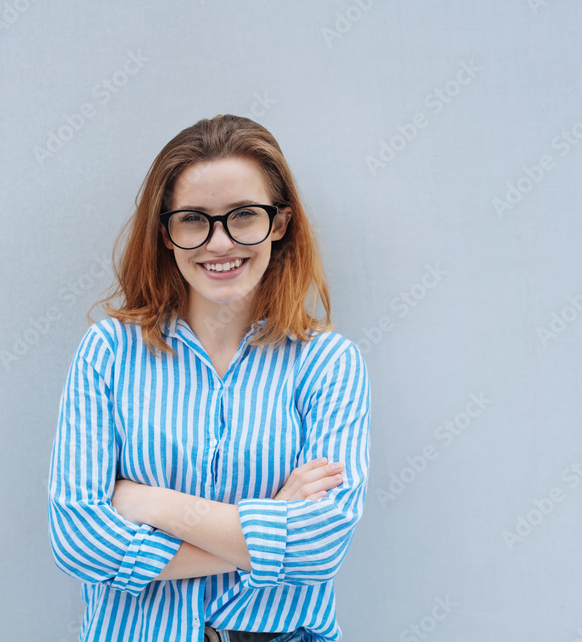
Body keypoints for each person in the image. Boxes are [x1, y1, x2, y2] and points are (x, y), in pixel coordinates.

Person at [47, 114, 370, 642]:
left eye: (244, 215)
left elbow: (319, 548)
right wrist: (272, 524)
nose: (220, 243)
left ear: (280, 223)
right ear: (166, 233)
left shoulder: (329, 364)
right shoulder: (109, 353)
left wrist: (151, 504)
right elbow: (78, 542)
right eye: (194, 219)